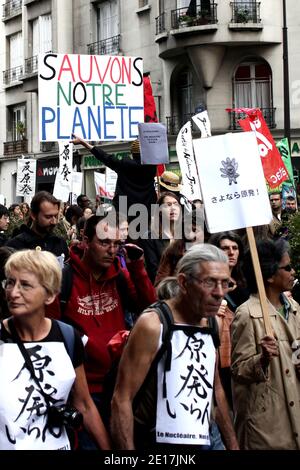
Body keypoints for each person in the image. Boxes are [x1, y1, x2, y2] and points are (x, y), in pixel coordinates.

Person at [110, 244, 239, 450]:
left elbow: (215, 388)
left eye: (226, 284)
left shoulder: (214, 322)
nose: (219, 293)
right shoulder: (153, 324)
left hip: (204, 437)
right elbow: (122, 399)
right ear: (184, 283)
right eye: (210, 283)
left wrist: (232, 444)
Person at [47, 212, 156, 446]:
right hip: (82, 392)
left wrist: (137, 267)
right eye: (104, 242)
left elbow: (149, 307)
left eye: (117, 244)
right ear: (85, 241)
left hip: (121, 386)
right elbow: (50, 333)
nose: (112, 250)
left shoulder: (119, 275)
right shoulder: (63, 279)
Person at [0, 249, 111, 450]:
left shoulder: (67, 337)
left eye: (25, 285)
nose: (13, 292)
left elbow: (84, 404)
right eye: (9, 282)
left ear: (50, 295)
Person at [231, 239, 300, 449]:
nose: (293, 272)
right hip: (266, 426)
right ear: (269, 276)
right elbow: (238, 370)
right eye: (287, 267)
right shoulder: (246, 314)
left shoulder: (294, 307)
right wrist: (261, 358)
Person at [70, 134, 157, 217]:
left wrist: (83, 142)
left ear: (132, 153)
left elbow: (103, 156)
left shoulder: (123, 165)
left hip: (124, 214)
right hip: (147, 214)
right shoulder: (152, 168)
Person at [6, 191, 69, 260]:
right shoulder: (15, 245)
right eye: (48, 217)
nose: (54, 222)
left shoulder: (60, 243)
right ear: (33, 215)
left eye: (56, 216)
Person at [138, 192, 182, 283]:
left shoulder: (185, 235)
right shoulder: (149, 237)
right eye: (168, 205)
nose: (173, 208)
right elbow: (153, 271)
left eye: (176, 204)